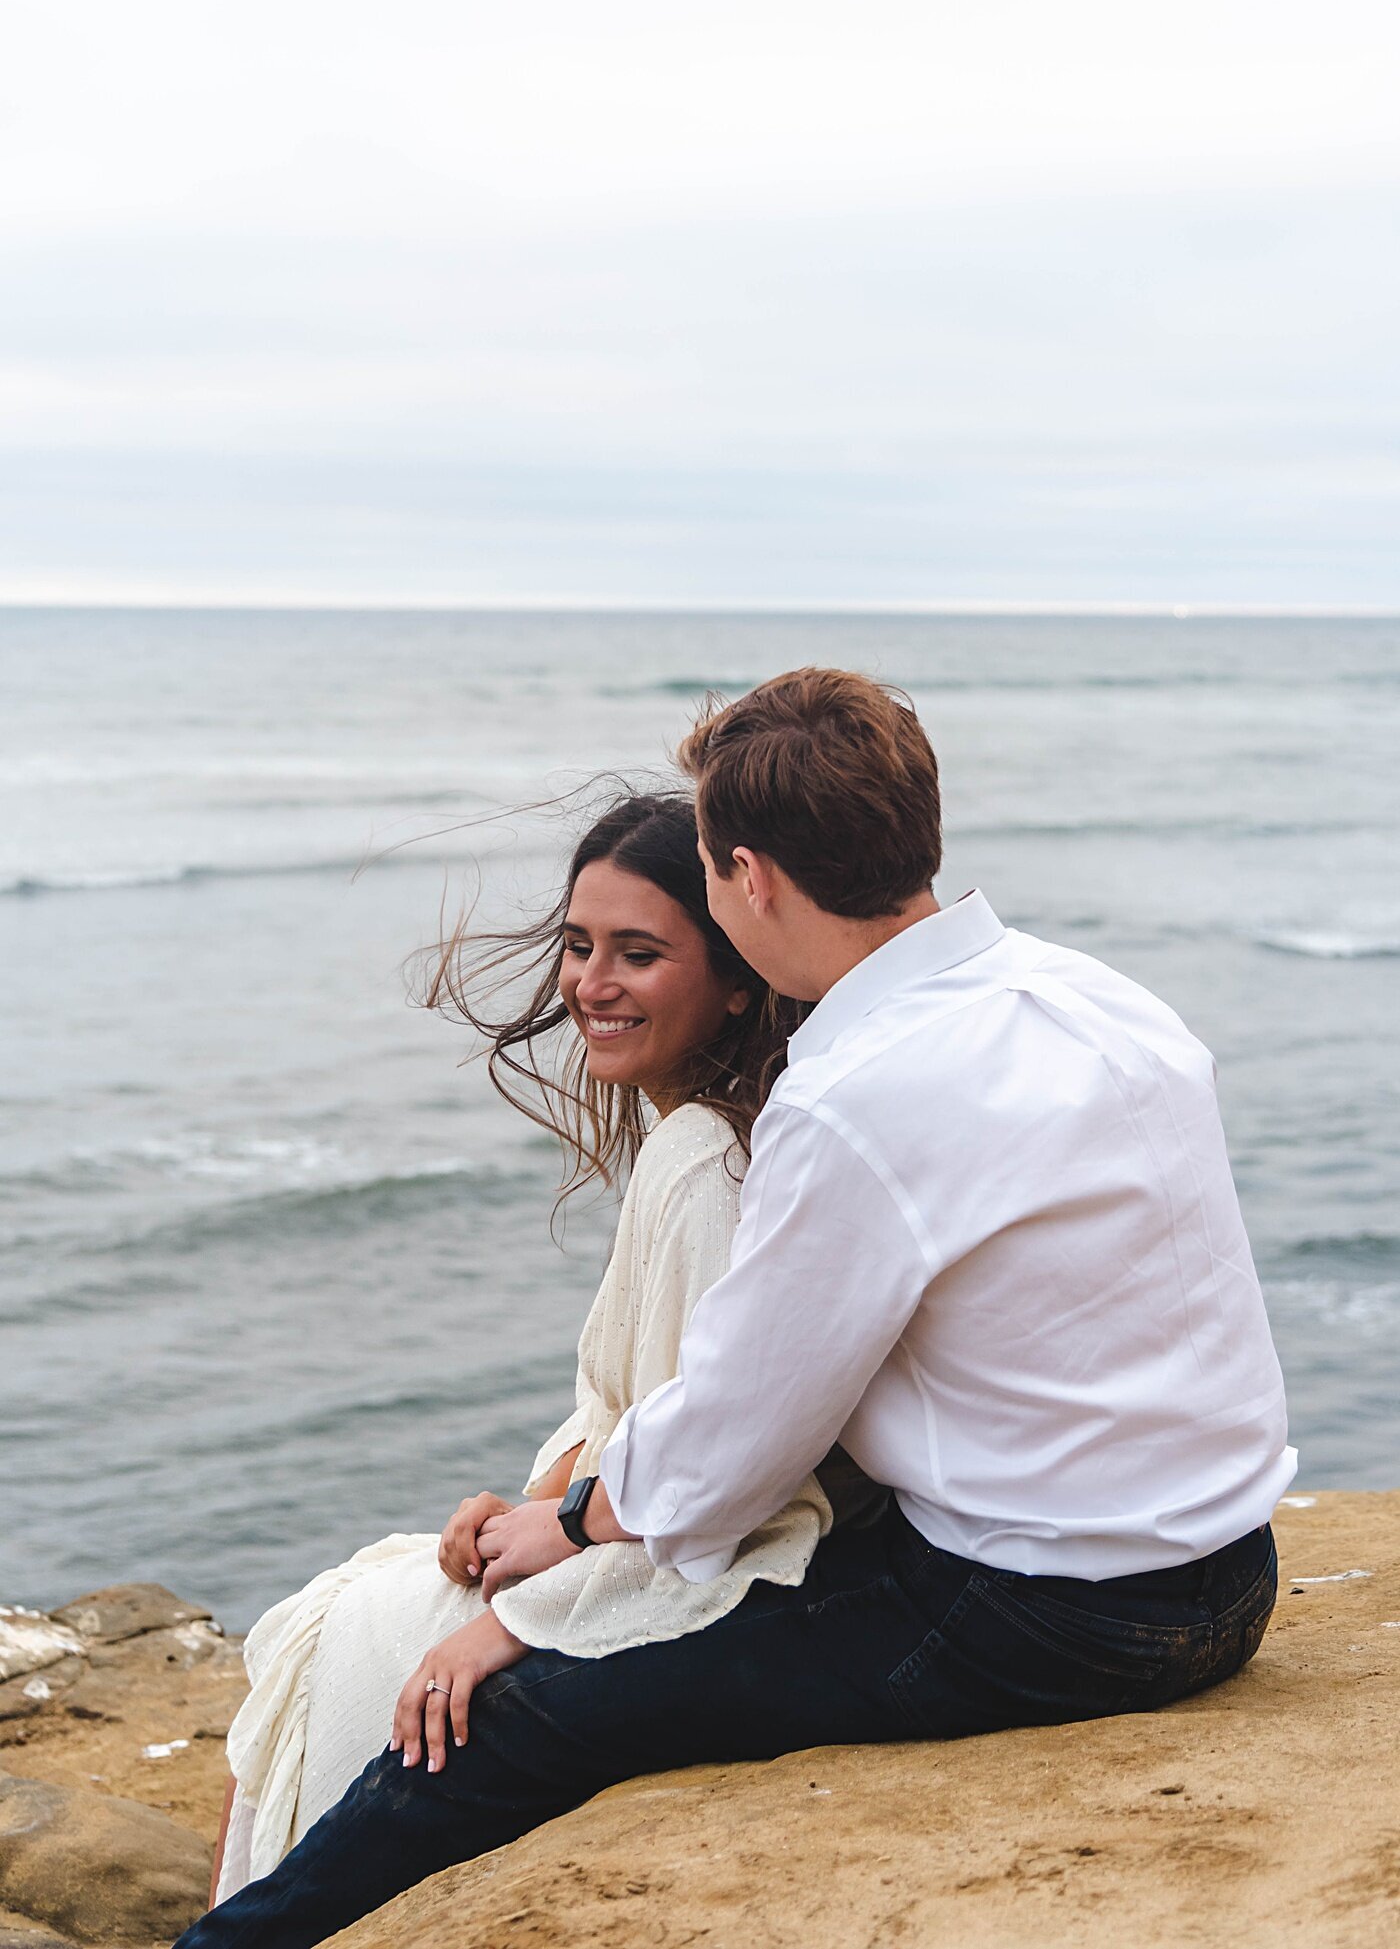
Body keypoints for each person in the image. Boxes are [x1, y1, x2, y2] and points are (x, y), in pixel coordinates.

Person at [179, 668, 1294, 1949]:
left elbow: (730, 1447)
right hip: (1228, 1571)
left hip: (1053, 1614)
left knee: (529, 1711)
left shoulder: (855, 1095)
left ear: (747, 877)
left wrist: (569, 1528)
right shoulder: (1096, 998)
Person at [210, 790, 846, 1899]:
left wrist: (517, 1608)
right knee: (349, 1605)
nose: (589, 984)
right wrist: (530, 1503)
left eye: (637, 954)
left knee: (328, 1632)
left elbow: (723, 1481)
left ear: (739, 978)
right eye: (577, 944)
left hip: (686, 1570)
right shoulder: (706, 1133)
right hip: (606, 1522)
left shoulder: (703, 1162)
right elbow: (640, 1411)